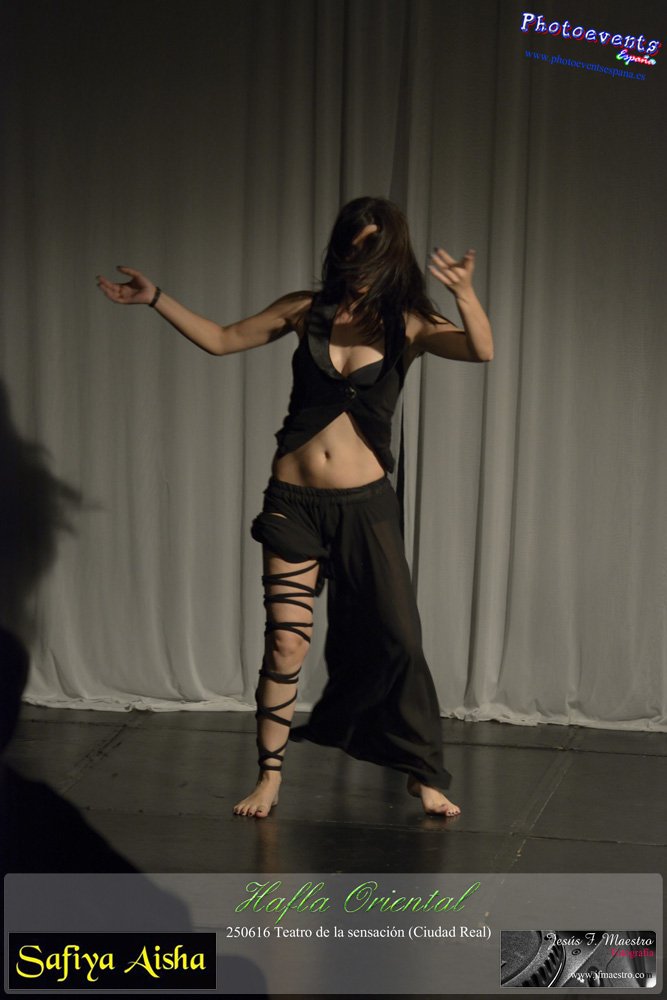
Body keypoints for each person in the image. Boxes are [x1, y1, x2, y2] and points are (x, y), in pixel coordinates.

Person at [96, 195, 493, 820]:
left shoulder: (408, 322)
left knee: (399, 642)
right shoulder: (305, 310)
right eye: (350, 248)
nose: (358, 261)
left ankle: (420, 772)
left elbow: (480, 350)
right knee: (285, 644)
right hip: (294, 504)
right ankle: (269, 775)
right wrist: (156, 298)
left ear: (391, 254)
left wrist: (465, 294)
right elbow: (222, 339)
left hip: (365, 507)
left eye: (371, 249)